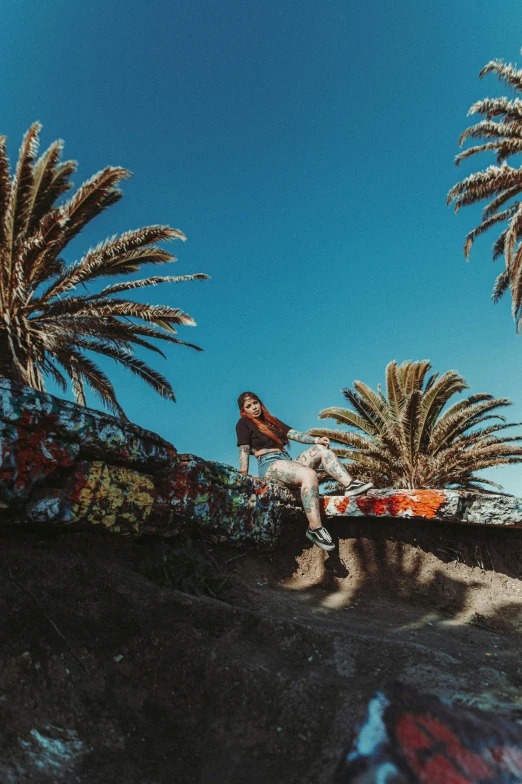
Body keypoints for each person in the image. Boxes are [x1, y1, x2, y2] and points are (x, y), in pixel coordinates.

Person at [236, 391, 373, 551]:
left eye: (255, 403)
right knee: (309, 474)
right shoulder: (243, 424)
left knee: (321, 450)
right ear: (243, 410)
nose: (254, 408)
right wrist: (244, 475)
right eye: (249, 406)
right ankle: (315, 528)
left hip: (286, 461)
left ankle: (350, 485)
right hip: (270, 465)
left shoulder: (271, 421)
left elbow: (294, 434)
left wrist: (316, 440)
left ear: (260, 403)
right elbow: (244, 450)